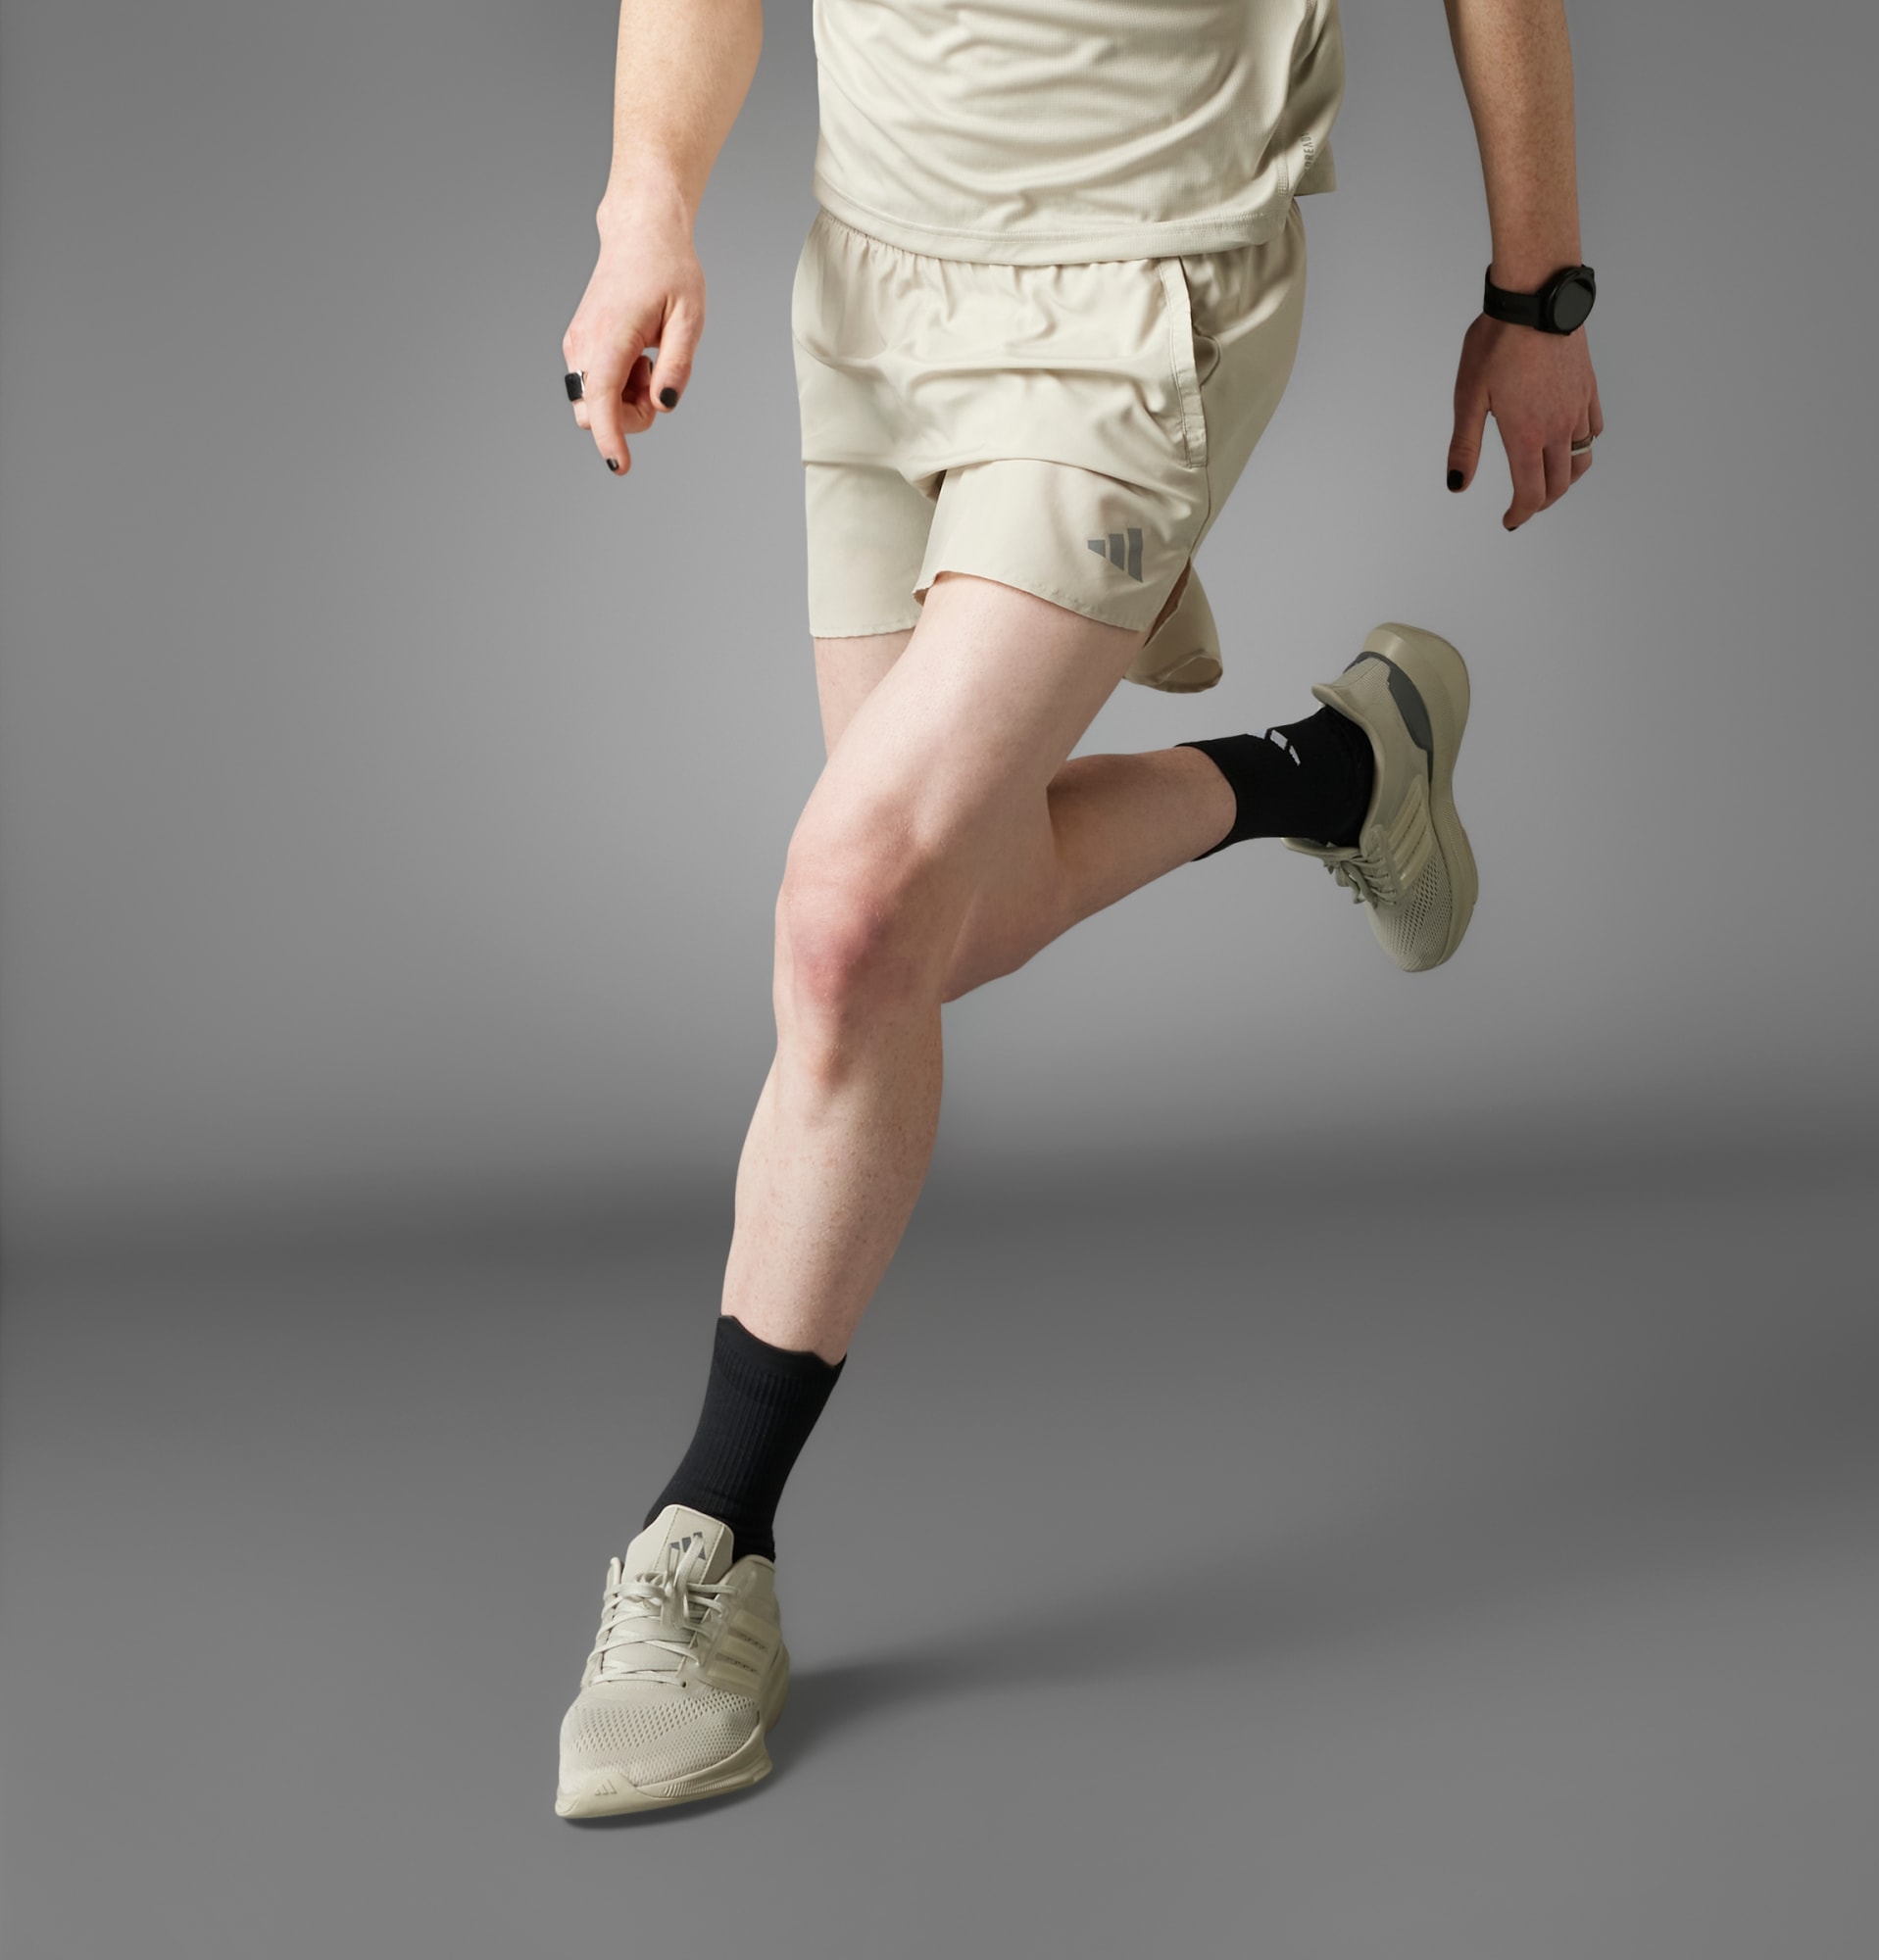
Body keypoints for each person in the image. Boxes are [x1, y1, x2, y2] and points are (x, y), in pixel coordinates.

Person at [553, 0, 1603, 1818]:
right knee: (927, 937)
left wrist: (1541, 294)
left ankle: (708, 1544)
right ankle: (1339, 770)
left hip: (1143, 287)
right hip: (873, 272)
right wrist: (648, 198)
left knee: (850, 918)